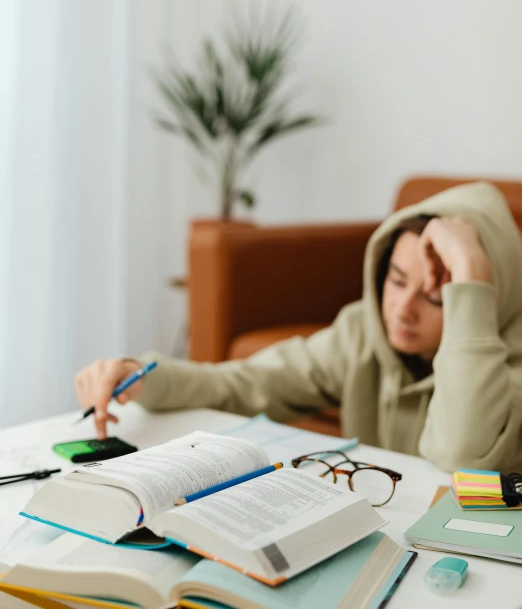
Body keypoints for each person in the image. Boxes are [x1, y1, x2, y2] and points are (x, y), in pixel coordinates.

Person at [75, 182, 522, 473]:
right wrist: (140, 374)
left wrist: (469, 271)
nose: (402, 310)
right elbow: (247, 383)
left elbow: (468, 458)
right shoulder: (364, 333)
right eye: (397, 280)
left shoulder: (509, 364)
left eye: (435, 297)